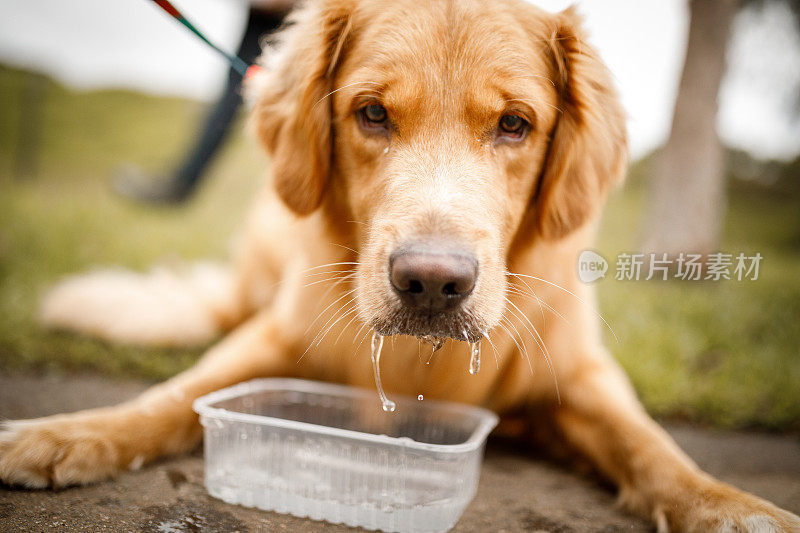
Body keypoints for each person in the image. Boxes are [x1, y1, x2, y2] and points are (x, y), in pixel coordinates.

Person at [115, 1, 295, 204]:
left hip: (290, 13)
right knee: (234, 91)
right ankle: (182, 182)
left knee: (267, 96)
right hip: (267, 14)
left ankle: (182, 184)